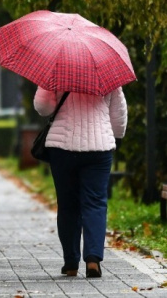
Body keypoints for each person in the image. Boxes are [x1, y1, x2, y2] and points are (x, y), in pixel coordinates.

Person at [34, 86, 127, 279]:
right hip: (99, 148)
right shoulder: (107, 72)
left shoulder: (56, 72)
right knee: (95, 202)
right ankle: (93, 259)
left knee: (67, 204)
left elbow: (43, 107)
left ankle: (71, 263)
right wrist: (116, 135)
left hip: (62, 147)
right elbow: (118, 114)